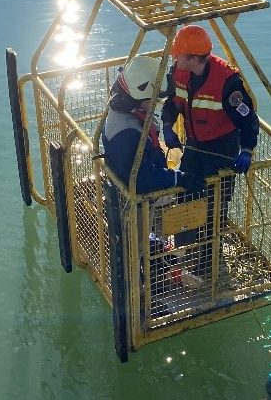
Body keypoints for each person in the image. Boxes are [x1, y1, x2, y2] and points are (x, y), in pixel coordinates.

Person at [160, 25, 260, 285]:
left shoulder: (228, 83)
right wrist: (167, 126)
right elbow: (172, 103)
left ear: (193, 58)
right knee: (187, 199)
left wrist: (246, 150)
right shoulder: (178, 73)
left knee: (215, 208)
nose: (175, 58)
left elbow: (248, 121)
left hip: (222, 153)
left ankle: (207, 261)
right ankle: (182, 255)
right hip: (194, 148)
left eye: (179, 55)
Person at [102, 55, 205, 195]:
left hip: (144, 179)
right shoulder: (126, 133)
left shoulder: (124, 112)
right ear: (139, 96)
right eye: (154, 98)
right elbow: (140, 179)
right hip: (142, 204)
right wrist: (178, 178)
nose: (156, 103)